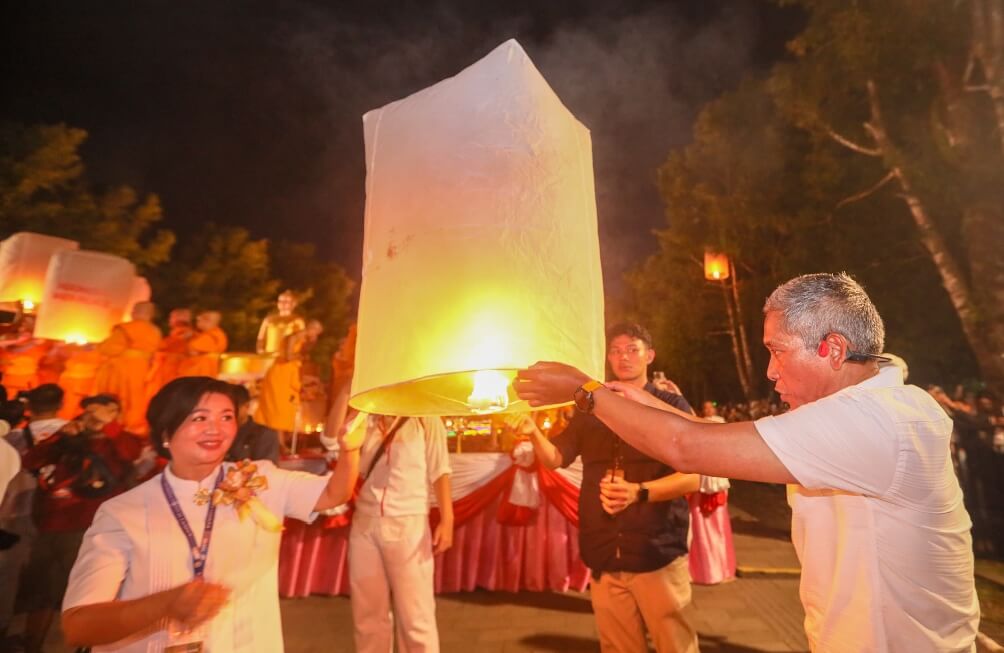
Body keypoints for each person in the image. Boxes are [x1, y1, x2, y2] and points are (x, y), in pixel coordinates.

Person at [515, 272, 979, 651]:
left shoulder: (871, 423)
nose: (770, 370)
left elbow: (689, 447)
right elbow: (713, 436)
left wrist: (585, 391)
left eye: (777, 351)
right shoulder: (875, 410)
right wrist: (639, 399)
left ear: (833, 349)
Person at [60, 376, 364, 652]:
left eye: (226, 417)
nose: (215, 429)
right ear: (166, 431)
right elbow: (78, 625)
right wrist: (165, 604)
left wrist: (350, 449)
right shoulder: (123, 512)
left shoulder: (259, 479)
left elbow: (332, 494)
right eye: (199, 418)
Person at [513, 322, 699, 653]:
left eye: (632, 349)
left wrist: (639, 491)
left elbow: (693, 478)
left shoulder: (669, 406)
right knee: (617, 646)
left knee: (676, 644)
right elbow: (556, 457)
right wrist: (532, 432)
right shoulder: (589, 410)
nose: (623, 357)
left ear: (650, 356)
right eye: (615, 350)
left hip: (655, 550)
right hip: (604, 550)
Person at [325, 373, 454, 653]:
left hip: (409, 521)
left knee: (415, 617)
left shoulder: (424, 415)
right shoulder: (365, 415)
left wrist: (448, 519)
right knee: (367, 615)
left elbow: (440, 469)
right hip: (365, 523)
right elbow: (330, 439)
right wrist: (349, 385)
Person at [19, 393, 143, 653]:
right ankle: (32, 645)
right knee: (41, 592)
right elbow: (31, 460)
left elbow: (131, 452)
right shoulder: (70, 438)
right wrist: (61, 436)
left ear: (116, 415)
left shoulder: (120, 440)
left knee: (91, 594)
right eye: (89, 412)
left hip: (96, 529)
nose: (93, 418)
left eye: (102, 412)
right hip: (54, 526)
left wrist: (109, 428)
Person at [93, 301, 163, 433]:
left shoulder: (127, 328)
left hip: (122, 368)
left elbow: (110, 348)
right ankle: (132, 427)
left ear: (136, 311)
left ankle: (112, 426)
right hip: (142, 369)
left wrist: (97, 346)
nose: (131, 313)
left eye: (134, 310)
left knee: (117, 397)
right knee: (135, 399)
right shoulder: (156, 331)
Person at [255, 319, 323, 434]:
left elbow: (303, 356)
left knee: (285, 408)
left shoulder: (302, 340)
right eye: (316, 333)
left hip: (288, 374)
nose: (315, 335)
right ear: (312, 329)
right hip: (280, 374)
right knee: (277, 408)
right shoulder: (293, 337)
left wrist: (310, 344)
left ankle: (280, 441)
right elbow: (288, 357)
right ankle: (277, 442)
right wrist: (299, 357)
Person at [227, 384, 280, 463]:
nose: (229, 413)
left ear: (247, 406)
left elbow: (266, 469)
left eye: (233, 408)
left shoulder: (264, 434)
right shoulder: (221, 433)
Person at [147, 308, 193, 395]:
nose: (170, 320)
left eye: (171, 317)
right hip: (169, 368)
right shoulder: (180, 332)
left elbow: (171, 346)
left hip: (173, 369)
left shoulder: (185, 332)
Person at [177, 311, 228, 379]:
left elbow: (191, 350)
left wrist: (187, 339)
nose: (198, 319)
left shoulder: (213, 335)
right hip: (200, 374)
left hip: (200, 374)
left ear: (209, 322)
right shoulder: (206, 334)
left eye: (203, 318)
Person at [256, 290, 305, 356]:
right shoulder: (269, 319)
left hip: (287, 358)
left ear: (294, 304)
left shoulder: (297, 320)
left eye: (286, 301)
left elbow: (301, 340)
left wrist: (293, 354)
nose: (283, 303)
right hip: (269, 357)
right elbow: (260, 338)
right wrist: (260, 350)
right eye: (280, 301)